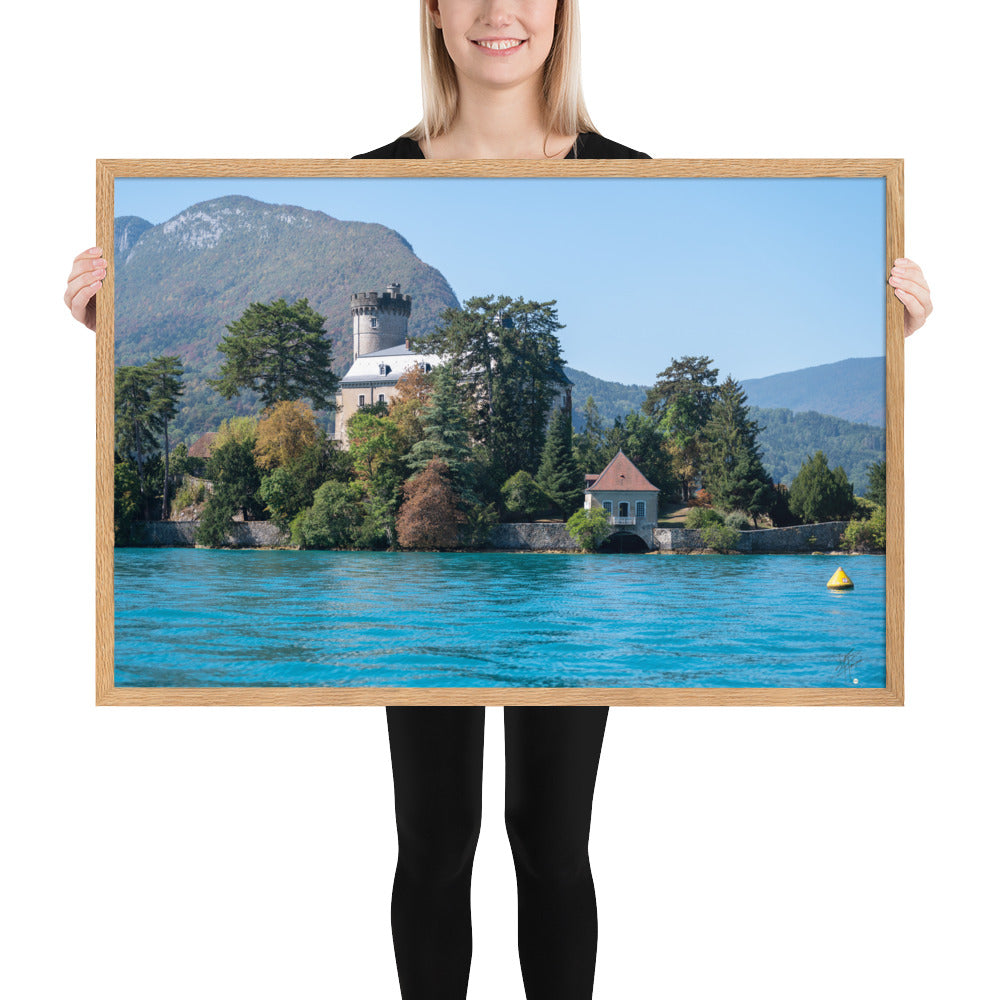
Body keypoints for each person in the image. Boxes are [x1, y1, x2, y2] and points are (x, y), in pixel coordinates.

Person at [64, 3, 933, 998]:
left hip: (526, 604)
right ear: (430, 14)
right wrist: (106, 326)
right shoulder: (374, 174)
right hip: (427, 604)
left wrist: (899, 330)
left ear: (564, 14)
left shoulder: (628, 172)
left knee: (552, 842)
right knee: (434, 843)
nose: (496, 12)